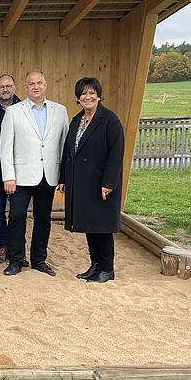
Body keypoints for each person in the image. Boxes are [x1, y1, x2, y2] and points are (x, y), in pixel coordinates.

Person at [0, 70, 68, 276]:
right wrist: (8, 176)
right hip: (20, 176)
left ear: (45, 85)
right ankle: (16, 259)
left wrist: (63, 177)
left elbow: (64, 147)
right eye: (31, 84)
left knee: (43, 219)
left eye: (39, 83)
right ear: (26, 87)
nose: (36, 86)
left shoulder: (60, 111)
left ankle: (39, 259)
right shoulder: (13, 111)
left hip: (48, 175)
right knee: (17, 217)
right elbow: (5, 146)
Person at [58, 77, 125, 284]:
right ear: (78, 98)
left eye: (91, 93)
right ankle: (95, 265)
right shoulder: (77, 120)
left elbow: (116, 155)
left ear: (98, 95)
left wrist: (109, 183)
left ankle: (107, 268)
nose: (87, 97)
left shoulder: (109, 120)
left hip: (100, 183)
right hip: (81, 183)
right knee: (90, 225)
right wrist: (64, 178)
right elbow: (68, 152)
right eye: (83, 94)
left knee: (102, 227)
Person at [0, 73, 21, 264]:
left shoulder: (23, 109)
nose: (5, 89)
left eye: (8, 86)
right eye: (1, 86)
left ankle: (16, 247)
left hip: (19, 170)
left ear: (14, 87)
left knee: (17, 211)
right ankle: (3, 246)